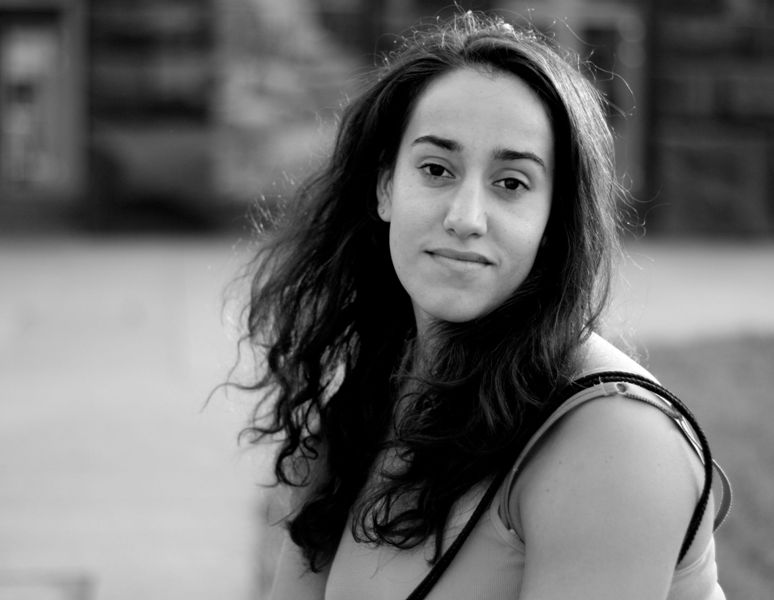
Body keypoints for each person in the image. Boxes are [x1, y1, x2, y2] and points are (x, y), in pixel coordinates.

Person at [239, 11, 730, 600]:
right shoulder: (375, 395)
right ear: (386, 187)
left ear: (553, 221)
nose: (465, 217)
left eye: (511, 183)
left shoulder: (614, 440)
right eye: (436, 169)